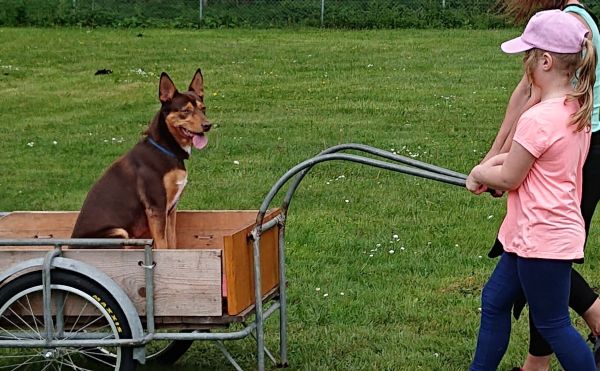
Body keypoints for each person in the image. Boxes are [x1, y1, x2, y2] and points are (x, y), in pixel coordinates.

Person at [466, 9, 597, 371]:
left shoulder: (538, 118)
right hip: (530, 233)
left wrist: (480, 172)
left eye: (527, 55)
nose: (524, 63)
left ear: (544, 60)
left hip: (542, 238)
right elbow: (519, 162)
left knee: (554, 324)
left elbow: (510, 177)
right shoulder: (575, 109)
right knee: (494, 299)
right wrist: (489, 171)